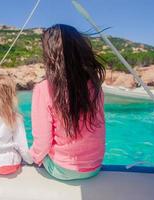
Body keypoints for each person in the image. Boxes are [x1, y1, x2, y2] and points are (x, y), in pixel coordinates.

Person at [29, 24, 106, 180]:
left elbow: (42, 143)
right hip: (95, 166)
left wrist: (31, 157)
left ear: (50, 55)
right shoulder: (95, 85)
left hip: (62, 169)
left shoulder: (44, 89)